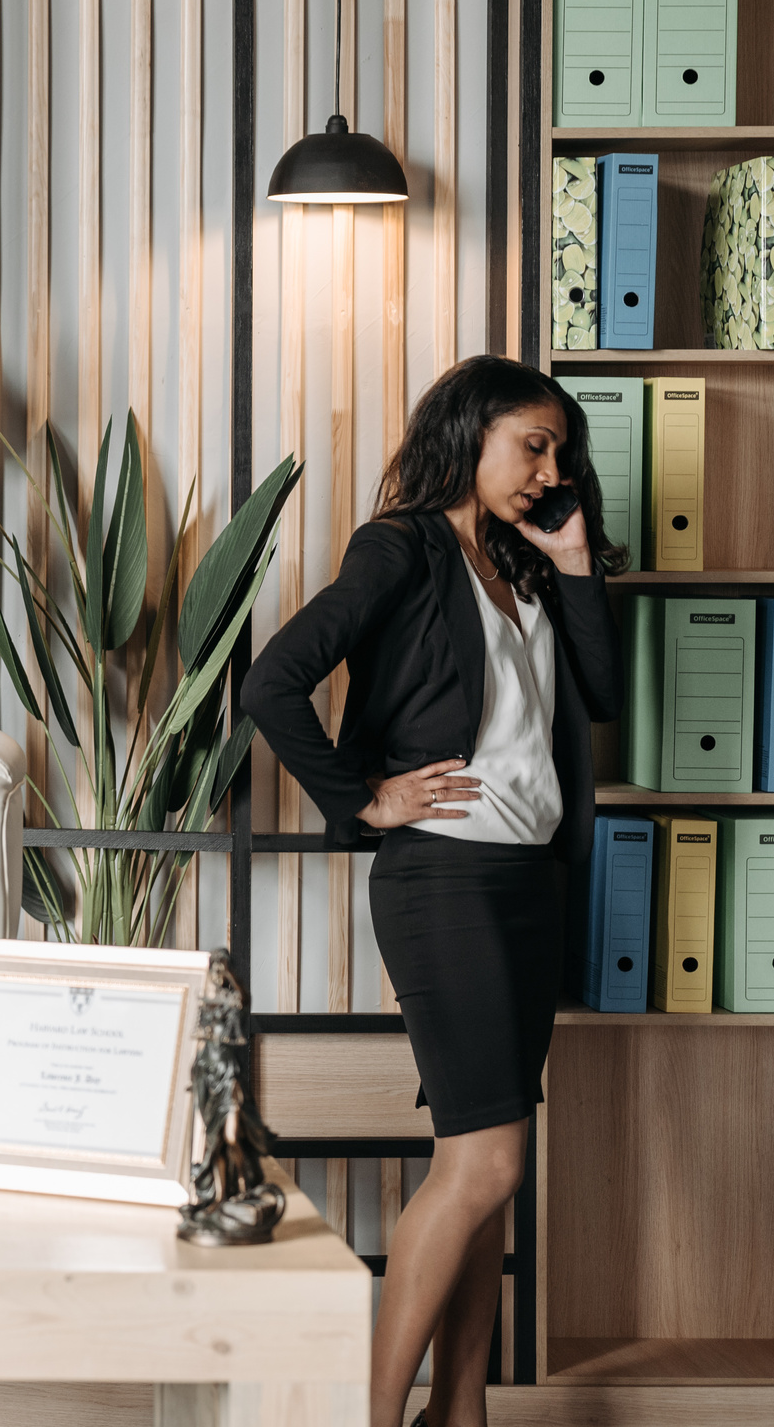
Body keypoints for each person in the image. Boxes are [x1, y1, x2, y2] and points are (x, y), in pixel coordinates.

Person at [242, 357, 623, 1427]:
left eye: (560, 450)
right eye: (531, 445)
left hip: (527, 883)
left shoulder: (522, 559)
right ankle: (376, 1415)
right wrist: (362, 800)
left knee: (486, 1170)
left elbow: (598, 692)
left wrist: (576, 558)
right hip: (445, 884)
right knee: (485, 1160)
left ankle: (460, 1411)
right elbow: (274, 679)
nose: (551, 468)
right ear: (468, 434)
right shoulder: (401, 547)